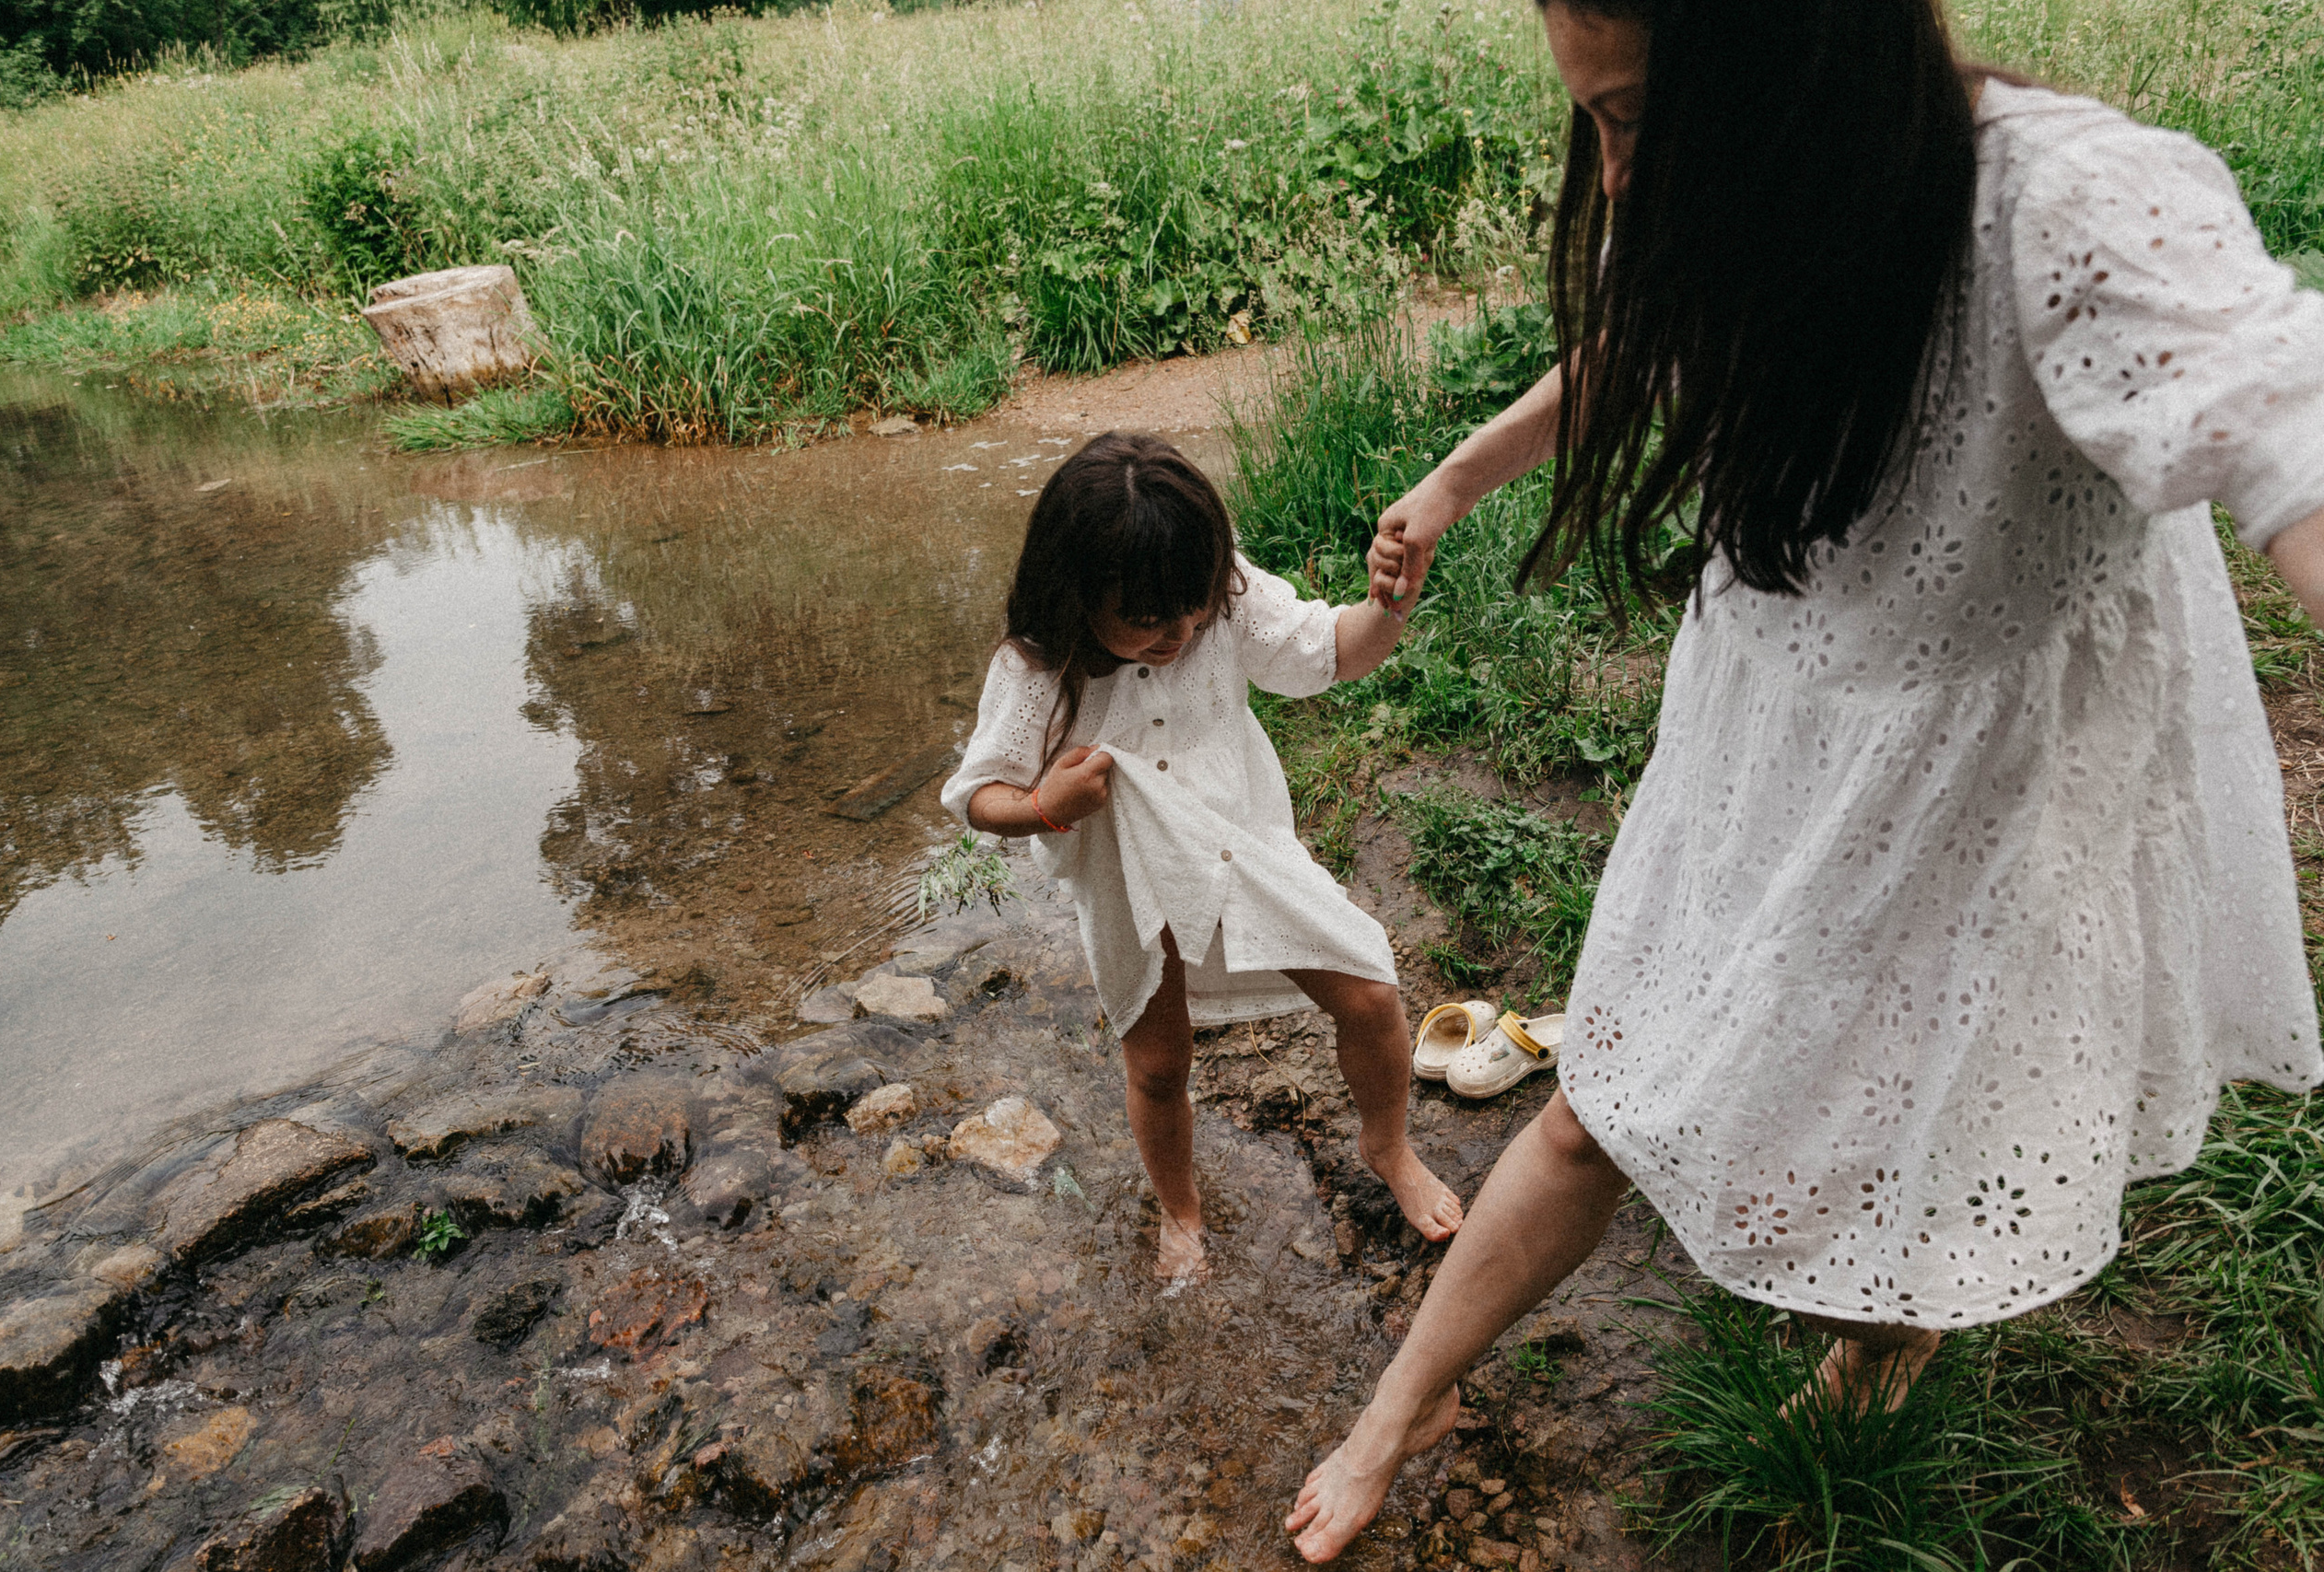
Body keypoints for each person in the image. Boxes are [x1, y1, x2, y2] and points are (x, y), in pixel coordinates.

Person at [1288, 0, 2324, 1558]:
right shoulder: (1760, 198)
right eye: (1595, 123)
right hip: (1778, 714)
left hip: (1990, 769)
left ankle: (1875, 1347)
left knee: (1937, 1098)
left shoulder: (2076, 208)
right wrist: (1450, 480)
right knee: (1607, 1102)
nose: (1615, 178)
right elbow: (1644, 339)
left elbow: (2288, 420)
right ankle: (1406, 1400)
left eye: (1635, 118)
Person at [941, 431, 1466, 1282]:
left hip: (1240, 846)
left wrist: (1389, 606)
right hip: (1129, 882)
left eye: (1190, 612)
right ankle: (1180, 1207)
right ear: (1077, 595)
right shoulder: (1039, 666)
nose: (1178, 634)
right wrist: (1044, 805)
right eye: (1146, 621)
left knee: (1370, 990)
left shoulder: (1216, 595)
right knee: (1159, 1063)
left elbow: (1329, 652)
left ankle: (1389, 1147)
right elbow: (976, 796)